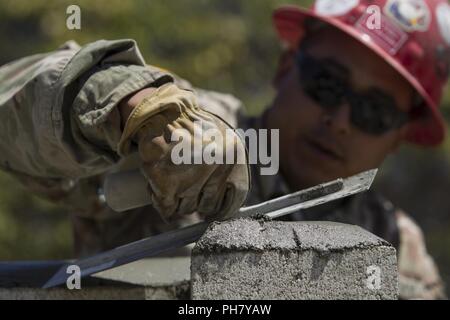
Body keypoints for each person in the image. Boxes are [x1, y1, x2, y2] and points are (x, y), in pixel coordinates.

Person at [0, 0, 448, 299]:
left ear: (400, 136)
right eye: (326, 83)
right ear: (286, 66)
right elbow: (16, 102)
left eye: (375, 112)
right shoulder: (194, 133)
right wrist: (130, 106)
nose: (341, 121)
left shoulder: (400, 250)